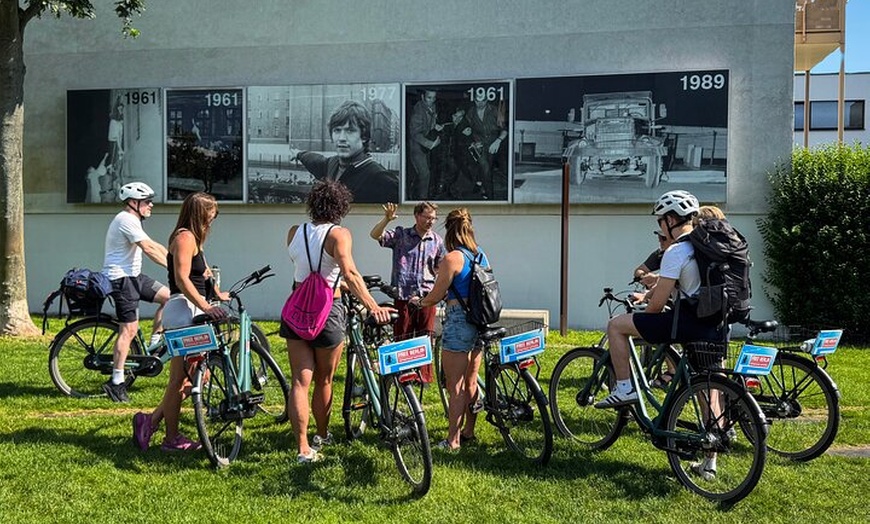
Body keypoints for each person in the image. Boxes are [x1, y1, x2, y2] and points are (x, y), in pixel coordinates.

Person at [283, 180, 395, 463]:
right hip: (327, 311)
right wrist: (372, 305)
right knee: (324, 380)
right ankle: (322, 434)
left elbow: (306, 272)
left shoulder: (294, 232)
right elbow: (350, 273)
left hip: (297, 308)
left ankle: (302, 447)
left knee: (300, 381)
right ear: (340, 206)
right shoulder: (339, 235)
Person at [595, 190, 725, 409]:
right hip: (714, 321)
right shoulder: (707, 247)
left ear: (670, 220)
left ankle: (624, 389)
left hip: (686, 322)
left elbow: (656, 305)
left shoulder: (677, 251)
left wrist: (642, 324)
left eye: (660, 220)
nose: (660, 227)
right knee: (704, 381)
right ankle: (716, 432)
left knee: (616, 325)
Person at [133, 192, 227, 452]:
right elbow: (183, 279)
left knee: (200, 375)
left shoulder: (194, 239)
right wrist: (206, 305)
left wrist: (218, 295)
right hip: (184, 311)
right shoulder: (185, 238)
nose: (213, 220)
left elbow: (204, 275)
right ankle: (170, 438)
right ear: (200, 213)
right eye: (211, 215)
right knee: (178, 379)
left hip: (192, 311)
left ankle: (150, 421)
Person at [410, 208, 488, 451]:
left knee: (454, 385)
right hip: (479, 320)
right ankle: (469, 431)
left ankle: (452, 440)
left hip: (458, 320)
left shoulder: (452, 258)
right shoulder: (481, 254)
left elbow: (436, 295)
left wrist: (419, 302)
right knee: (471, 381)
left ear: (449, 230)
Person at [101, 182, 170, 402]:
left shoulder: (133, 220)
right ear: (133, 203)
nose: (151, 205)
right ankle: (116, 382)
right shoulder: (126, 220)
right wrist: (173, 269)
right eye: (147, 201)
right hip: (121, 279)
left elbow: (154, 244)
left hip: (134, 277)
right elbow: (148, 249)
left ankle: (153, 342)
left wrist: (176, 260)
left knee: (169, 297)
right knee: (128, 331)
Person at [370, 201, 446, 380]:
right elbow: (375, 235)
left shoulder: (436, 240)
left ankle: (423, 377)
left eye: (433, 218)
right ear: (417, 216)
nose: (430, 222)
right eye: (427, 217)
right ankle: (401, 373)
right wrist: (386, 220)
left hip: (426, 296)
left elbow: (440, 267)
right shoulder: (401, 235)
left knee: (426, 336)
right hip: (403, 294)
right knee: (403, 335)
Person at [289, 100, 399, 204]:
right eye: (337, 130)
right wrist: (298, 154)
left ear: (364, 136)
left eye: (350, 131)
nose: (342, 138)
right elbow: (313, 160)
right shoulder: (331, 165)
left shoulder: (381, 179)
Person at [459, 94, 508, 199]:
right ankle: (490, 197)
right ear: (474, 100)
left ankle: (480, 184)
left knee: (487, 168)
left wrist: (498, 141)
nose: (480, 104)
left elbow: (504, 130)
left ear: (486, 100)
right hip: (479, 144)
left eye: (482, 101)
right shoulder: (471, 112)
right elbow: (466, 128)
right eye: (477, 101)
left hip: (493, 144)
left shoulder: (495, 111)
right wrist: (470, 138)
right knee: (485, 168)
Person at [408, 90, 441, 199]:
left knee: (422, 174)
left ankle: (415, 195)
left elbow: (429, 123)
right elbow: (415, 133)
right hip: (417, 146)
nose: (431, 100)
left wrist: (435, 126)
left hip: (424, 146)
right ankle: (422, 200)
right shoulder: (418, 111)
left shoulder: (432, 106)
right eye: (429, 98)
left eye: (434, 98)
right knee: (425, 174)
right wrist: (430, 144)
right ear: (423, 97)